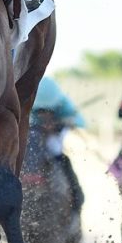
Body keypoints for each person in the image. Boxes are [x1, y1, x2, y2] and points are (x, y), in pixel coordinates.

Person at [31, 76, 86, 212]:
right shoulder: (26, 100)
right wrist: (39, 126)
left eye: (47, 110)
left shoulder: (63, 102)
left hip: (54, 137)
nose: (43, 113)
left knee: (56, 151)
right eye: (40, 110)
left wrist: (60, 124)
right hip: (31, 136)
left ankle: (75, 193)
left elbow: (80, 121)